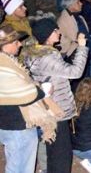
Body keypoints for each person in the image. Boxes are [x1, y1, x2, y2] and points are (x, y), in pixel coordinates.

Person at [24, 17, 89, 172]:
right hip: (57, 110)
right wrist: (81, 47)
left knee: (53, 152)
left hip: (48, 108)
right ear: (47, 35)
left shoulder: (35, 53)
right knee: (62, 155)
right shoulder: (47, 56)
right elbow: (75, 72)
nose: (59, 32)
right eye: (55, 30)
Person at [0, 24, 55, 173]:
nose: (20, 44)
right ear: (6, 45)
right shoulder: (3, 67)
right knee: (20, 167)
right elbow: (26, 94)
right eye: (16, 42)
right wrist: (42, 90)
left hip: (6, 123)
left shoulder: (7, 62)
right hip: (17, 126)